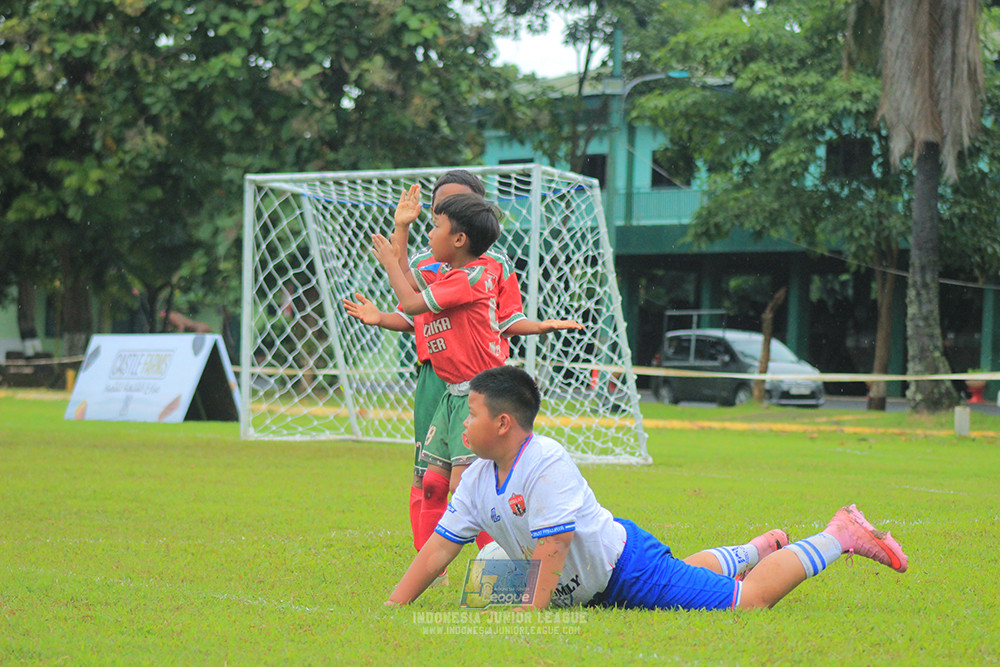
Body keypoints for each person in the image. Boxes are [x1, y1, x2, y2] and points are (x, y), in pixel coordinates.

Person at [386, 365, 909, 610]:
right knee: (480, 587)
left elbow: (554, 547)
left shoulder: (545, 461)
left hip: (624, 569)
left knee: (749, 602)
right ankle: (755, 549)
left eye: (471, 413)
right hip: (590, 582)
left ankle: (839, 534)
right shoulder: (478, 478)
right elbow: (438, 549)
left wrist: (531, 614)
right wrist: (394, 608)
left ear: (503, 423)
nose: (462, 424)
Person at [344, 172, 582, 566]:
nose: (434, 223)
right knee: (431, 479)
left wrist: (538, 326)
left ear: (464, 231)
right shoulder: (434, 261)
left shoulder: (482, 272)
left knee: (467, 483)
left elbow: (418, 300)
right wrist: (401, 229)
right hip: (441, 381)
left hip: (479, 386)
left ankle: (506, 556)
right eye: (435, 212)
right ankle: (430, 565)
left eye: (442, 218)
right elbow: (410, 298)